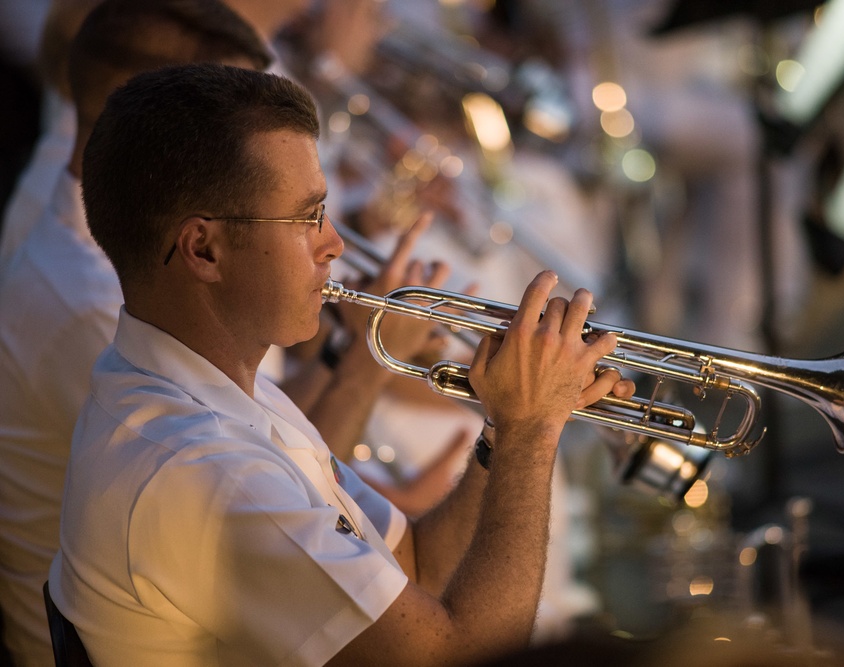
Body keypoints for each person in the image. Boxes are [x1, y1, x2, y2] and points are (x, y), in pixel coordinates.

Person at [48, 61, 632, 665]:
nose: (335, 243)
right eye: (308, 217)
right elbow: (460, 656)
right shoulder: (206, 469)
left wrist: (502, 428)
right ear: (203, 248)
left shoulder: (217, 390)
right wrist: (530, 431)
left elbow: (417, 568)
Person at [0, 3, 272, 665]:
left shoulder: (113, 241)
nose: (255, 156)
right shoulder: (98, 308)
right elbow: (259, 523)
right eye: (234, 131)